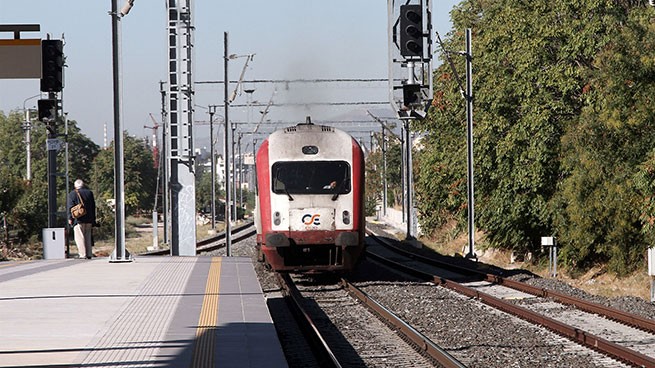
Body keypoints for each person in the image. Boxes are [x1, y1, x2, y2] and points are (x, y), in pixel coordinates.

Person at [67, 179, 97, 259]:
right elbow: (93, 206)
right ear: (83, 185)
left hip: (78, 219)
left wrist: (70, 218)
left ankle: (82, 254)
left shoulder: (73, 194)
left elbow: (70, 207)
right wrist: (93, 219)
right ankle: (89, 253)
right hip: (89, 218)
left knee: (79, 237)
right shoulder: (89, 193)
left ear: (75, 186)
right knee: (88, 236)